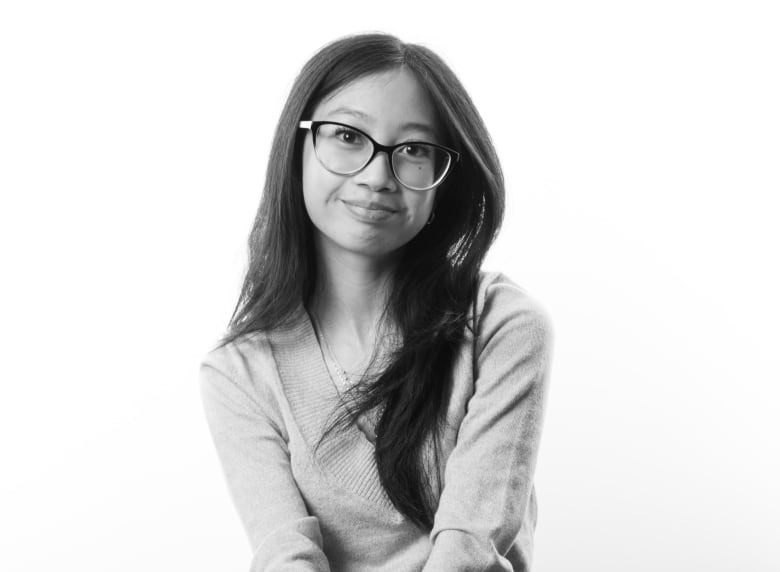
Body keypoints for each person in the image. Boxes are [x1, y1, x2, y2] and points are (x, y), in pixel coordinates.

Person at [199, 32, 554, 571]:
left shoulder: (502, 324)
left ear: (442, 177)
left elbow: (469, 550)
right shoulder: (239, 372)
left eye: (414, 150)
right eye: (346, 135)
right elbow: (285, 556)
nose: (376, 176)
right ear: (298, 147)